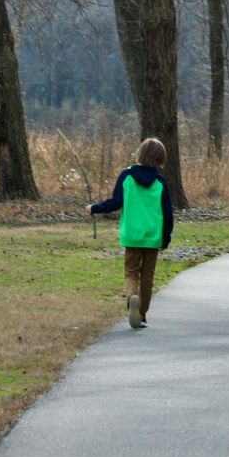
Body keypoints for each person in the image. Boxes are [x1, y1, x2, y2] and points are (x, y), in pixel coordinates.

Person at [86, 138, 174, 329]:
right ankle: (142, 314)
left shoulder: (126, 175)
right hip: (152, 236)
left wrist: (95, 208)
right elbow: (168, 213)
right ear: (161, 159)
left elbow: (116, 202)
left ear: (140, 154)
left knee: (131, 271)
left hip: (132, 234)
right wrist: (166, 237)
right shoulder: (160, 181)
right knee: (148, 275)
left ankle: (132, 296)